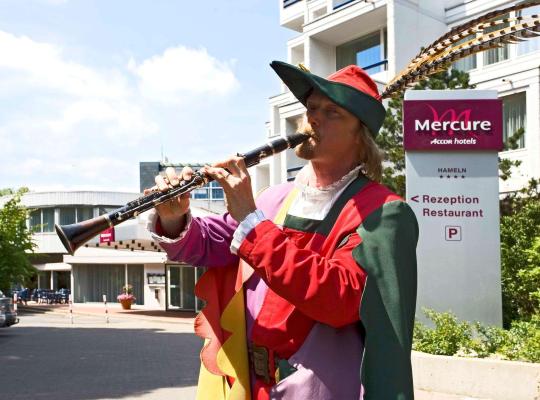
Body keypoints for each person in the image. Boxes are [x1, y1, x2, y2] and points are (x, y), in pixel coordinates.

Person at [146, 61, 418, 400]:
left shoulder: (383, 212)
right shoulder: (277, 196)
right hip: (252, 385)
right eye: (312, 108)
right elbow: (213, 244)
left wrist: (252, 222)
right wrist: (174, 218)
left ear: (360, 135)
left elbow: (339, 298)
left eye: (331, 112)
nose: (312, 119)